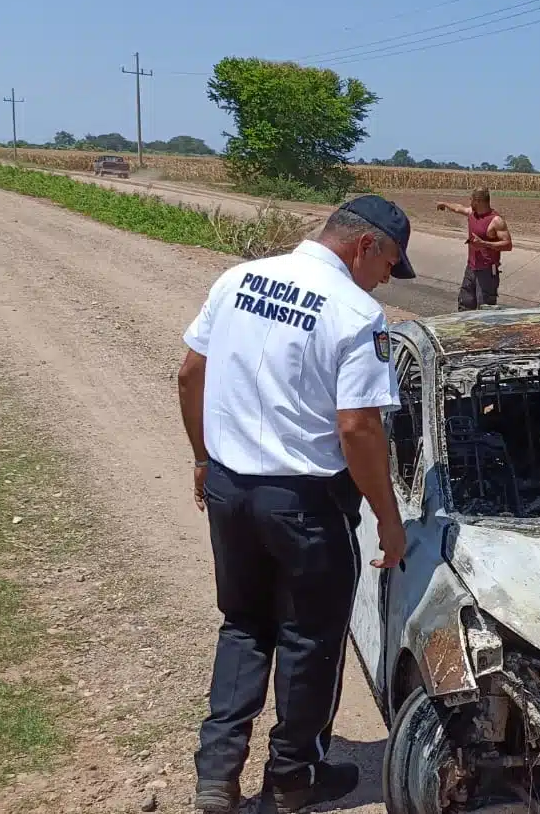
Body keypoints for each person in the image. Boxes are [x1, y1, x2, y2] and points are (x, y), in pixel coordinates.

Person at [177, 195, 417, 814]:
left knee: (244, 625)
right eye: (391, 262)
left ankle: (218, 773)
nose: (388, 277)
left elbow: (189, 373)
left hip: (230, 490)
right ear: (364, 245)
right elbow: (359, 427)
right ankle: (294, 778)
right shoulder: (356, 312)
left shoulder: (238, 279)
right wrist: (389, 520)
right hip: (305, 504)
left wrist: (203, 457)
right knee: (310, 638)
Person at [437, 188, 513, 311]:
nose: (469, 201)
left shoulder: (496, 220)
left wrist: (484, 244)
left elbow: (508, 245)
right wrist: (444, 204)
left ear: (478, 201)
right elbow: (458, 207)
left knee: (484, 310)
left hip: (487, 272)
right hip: (471, 268)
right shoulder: (472, 213)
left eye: (471, 199)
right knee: (465, 304)